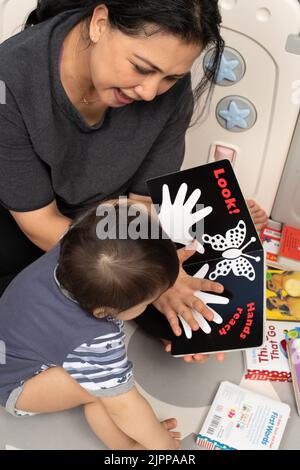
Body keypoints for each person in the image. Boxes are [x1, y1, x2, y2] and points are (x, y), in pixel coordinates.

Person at [0, 0, 268, 363]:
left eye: (170, 77)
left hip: (108, 219)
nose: (150, 91)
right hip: (27, 224)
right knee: (27, 315)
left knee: (194, 308)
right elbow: (39, 223)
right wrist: (153, 282)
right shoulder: (11, 78)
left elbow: (140, 205)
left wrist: (159, 279)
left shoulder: (166, 87)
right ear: (99, 23)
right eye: (141, 68)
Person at [0, 199, 186, 450]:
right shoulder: (93, 340)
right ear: (105, 312)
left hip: (12, 341)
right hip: (16, 386)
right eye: (148, 301)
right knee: (101, 393)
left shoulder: (73, 244)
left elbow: (112, 210)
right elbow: (125, 407)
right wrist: (163, 446)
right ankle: (127, 449)